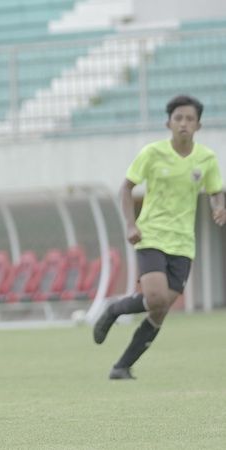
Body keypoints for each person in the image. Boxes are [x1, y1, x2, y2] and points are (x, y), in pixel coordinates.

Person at [93, 95, 225, 380]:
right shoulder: (152, 153)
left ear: (198, 125)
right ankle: (114, 309)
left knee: (161, 308)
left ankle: (122, 366)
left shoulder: (207, 159)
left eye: (190, 119)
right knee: (155, 298)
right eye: (178, 118)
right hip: (151, 234)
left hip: (183, 243)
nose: (184, 124)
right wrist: (130, 224)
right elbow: (126, 188)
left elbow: (215, 190)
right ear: (168, 123)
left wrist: (218, 207)